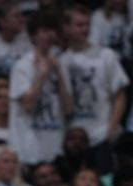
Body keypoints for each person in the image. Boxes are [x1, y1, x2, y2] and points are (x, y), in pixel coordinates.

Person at [59, 4, 128, 174]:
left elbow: (120, 95)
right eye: (79, 25)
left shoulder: (106, 55)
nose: (85, 29)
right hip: (74, 138)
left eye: (87, 24)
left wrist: (111, 129)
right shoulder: (61, 61)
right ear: (66, 28)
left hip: (101, 133)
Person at [9, 12, 73, 167]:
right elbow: (27, 105)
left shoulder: (60, 64)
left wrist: (58, 74)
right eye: (44, 31)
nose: (49, 36)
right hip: (28, 150)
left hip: (55, 147)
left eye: (52, 31)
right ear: (33, 35)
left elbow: (69, 109)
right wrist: (42, 75)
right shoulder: (22, 66)